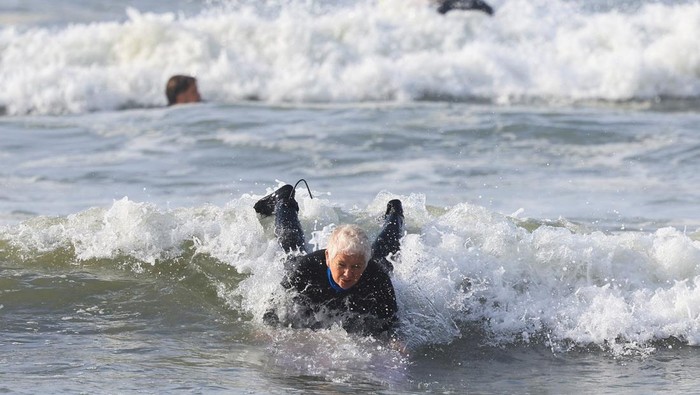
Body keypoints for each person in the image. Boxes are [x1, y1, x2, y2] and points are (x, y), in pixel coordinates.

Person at [255, 180, 404, 339]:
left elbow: (391, 322)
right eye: (341, 265)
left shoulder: (377, 277)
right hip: (311, 264)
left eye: (356, 267)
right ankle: (284, 200)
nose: (348, 274)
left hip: (372, 266)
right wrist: (269, 329)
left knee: (386, 251)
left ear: (365, 264)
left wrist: (395, 341)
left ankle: (395, 213)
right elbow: (274, 307)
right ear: (328, 257)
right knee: (291, 244)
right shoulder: (305, 269)